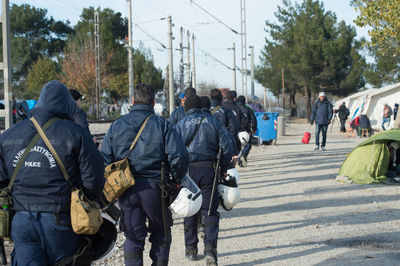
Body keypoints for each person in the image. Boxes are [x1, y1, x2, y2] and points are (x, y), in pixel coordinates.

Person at [0, 80, 105, 265]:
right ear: (67, 106)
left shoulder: (8, 136)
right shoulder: (76, 134)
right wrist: (87, 202)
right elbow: (94, 177)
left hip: (22, 221)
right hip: (61, 221)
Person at [100, 83, 189, 266]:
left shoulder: (117, 125)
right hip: (157, 189)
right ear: (153, 101)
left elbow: (103, 159)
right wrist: (175, 180)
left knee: (132, 238)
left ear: (133, 100)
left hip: (126, 189)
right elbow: (179, 156)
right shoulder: (163, 125)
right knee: (161, 234)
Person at [174, 95, 234, 266]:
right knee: (210, 211)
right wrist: (223, 167)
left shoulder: (180, 125)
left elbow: (173, 150)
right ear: (200, 106)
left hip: (188, 172)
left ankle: (191, 249)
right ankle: (210, 250)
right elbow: (227, 146)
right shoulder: (213, 122)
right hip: (210, 170)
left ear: (187, 108)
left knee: (190, 209)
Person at [210, 89, 239, 154]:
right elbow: (234, 128)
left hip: (208, 144)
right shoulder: (226, 111)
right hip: (223, 144)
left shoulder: (205, 111)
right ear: (221, 98)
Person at [236, 95, 257, 166]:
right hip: (246, 131)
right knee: (247, 144)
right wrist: (253, 129)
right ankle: (243, 155)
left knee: (238, 146)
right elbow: (253, 120)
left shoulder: (234, 109)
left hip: (236, 130)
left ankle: (239, 160)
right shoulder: (248, 109)